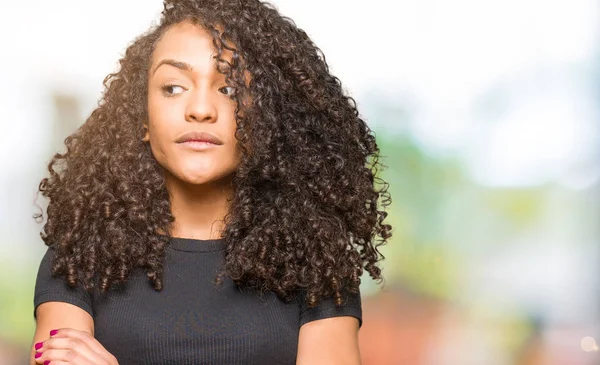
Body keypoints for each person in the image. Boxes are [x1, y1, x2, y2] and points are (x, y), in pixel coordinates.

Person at [30, 0, 392, 364]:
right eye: (173, 88)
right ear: (142, 117)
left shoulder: (317, 264)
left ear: (264, 116)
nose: (200, 109)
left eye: (229, 89)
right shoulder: (81, 255)